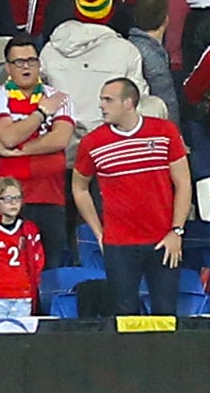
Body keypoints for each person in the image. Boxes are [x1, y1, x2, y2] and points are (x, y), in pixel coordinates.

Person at [72, 75, 188, 320]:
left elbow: (183, 183)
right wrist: (100, 233)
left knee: (166, 315)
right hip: (119, 245)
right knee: (124, 317)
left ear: (128, 102)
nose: (101, 105)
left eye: (108, 100)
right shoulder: (93, 143)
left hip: (163, 241)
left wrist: (176, 231)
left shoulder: (165, 132)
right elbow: (79, 188)